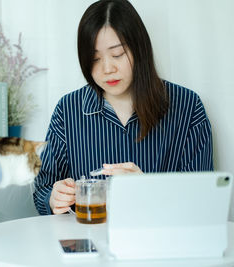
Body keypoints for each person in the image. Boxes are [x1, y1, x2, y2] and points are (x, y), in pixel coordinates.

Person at [33, 0, 213, 215]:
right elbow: (42, 188)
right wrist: (54, 199)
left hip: (160, 243)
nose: (108, 68)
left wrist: (148, 190)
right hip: (90, 241)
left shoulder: (187, 107)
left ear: (140, 49)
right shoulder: (68, 110)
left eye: (117, 54)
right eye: (95, 58)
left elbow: (204, 201)